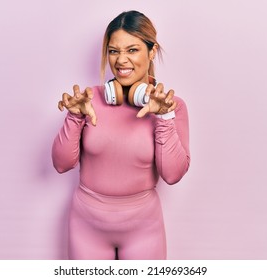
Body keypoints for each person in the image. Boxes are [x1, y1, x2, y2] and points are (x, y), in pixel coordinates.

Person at [52, 10, 190, 260]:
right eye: (114, 51)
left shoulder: (171, 106)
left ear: (151, 51)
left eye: (132, 50)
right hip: (86, 227)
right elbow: (61, 165)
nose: (121, 60)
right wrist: (74, 117)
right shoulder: (88, 100)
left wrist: (164, 119)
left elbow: (172, 174)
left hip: (144, 229)